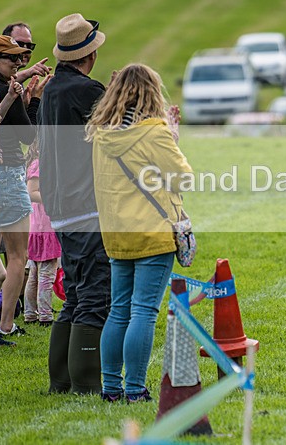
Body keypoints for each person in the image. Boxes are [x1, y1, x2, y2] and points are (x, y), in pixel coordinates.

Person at [86, 64, 191, 403]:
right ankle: (134, 388)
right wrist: (173, 138)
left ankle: (111, 387)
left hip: (117, 233)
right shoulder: (154, 132)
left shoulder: (101, 134)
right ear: (152, 93)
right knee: (143, 311)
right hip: (152, 231)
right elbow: (182, 178)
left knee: (119, 310)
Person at [37, 13, 109, 395]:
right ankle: (86, 383)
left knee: (76, 294)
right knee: (95, 292)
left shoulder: (51, 89)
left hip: (59, 204)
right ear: (90, 54)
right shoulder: (86, 90)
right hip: (86, 204)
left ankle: (61, 381)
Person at [0, 35, 41, 338]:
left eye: (20, 57)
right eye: (12, 58)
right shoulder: (5, 91)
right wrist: (34, 102)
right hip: (9, 174)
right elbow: (29, 136)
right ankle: (6, 324)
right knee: (18, 256)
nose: (19, 62)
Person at [24, 141, 61, 327]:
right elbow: (31, 192)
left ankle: (30, 313)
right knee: (46, 273)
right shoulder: (39, 164)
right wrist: (54, 198)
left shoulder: (39, 163)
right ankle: (45, 316)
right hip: (44, 226)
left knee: (35, 273)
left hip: (38, 226)